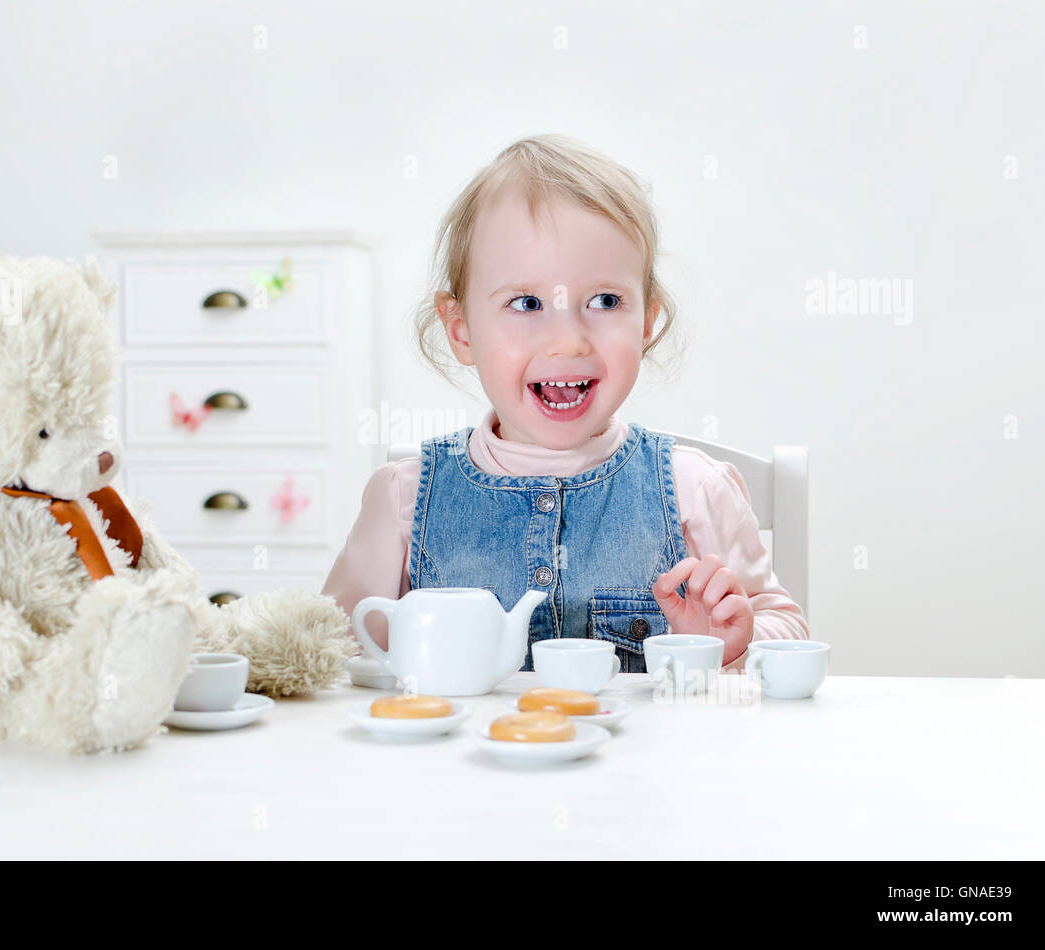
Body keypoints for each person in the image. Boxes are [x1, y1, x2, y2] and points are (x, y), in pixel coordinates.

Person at [323, 134, 809, 674]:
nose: (567, 340)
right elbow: (331, 661)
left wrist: (733, 639)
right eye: (526, 303)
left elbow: (782, 623)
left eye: (604, 301)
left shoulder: (696, 489)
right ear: (460, 329)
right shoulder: (403, 500)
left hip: (652, 761)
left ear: (647, 320)